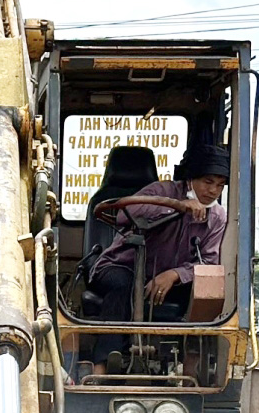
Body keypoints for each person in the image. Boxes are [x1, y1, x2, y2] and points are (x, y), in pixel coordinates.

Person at [82, 143, 229, 374]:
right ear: (191, 178)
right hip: (121, 265)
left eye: (220, 186)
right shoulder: (161, 190)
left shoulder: (217, 217)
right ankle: (102, 365)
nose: (212, 191)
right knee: (124, 286)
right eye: (208, 182)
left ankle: (191, 370)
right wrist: (177, 207)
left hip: (169, 278)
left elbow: (208, 262)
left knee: (203, 292)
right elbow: (125, 213)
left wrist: (175, 274)